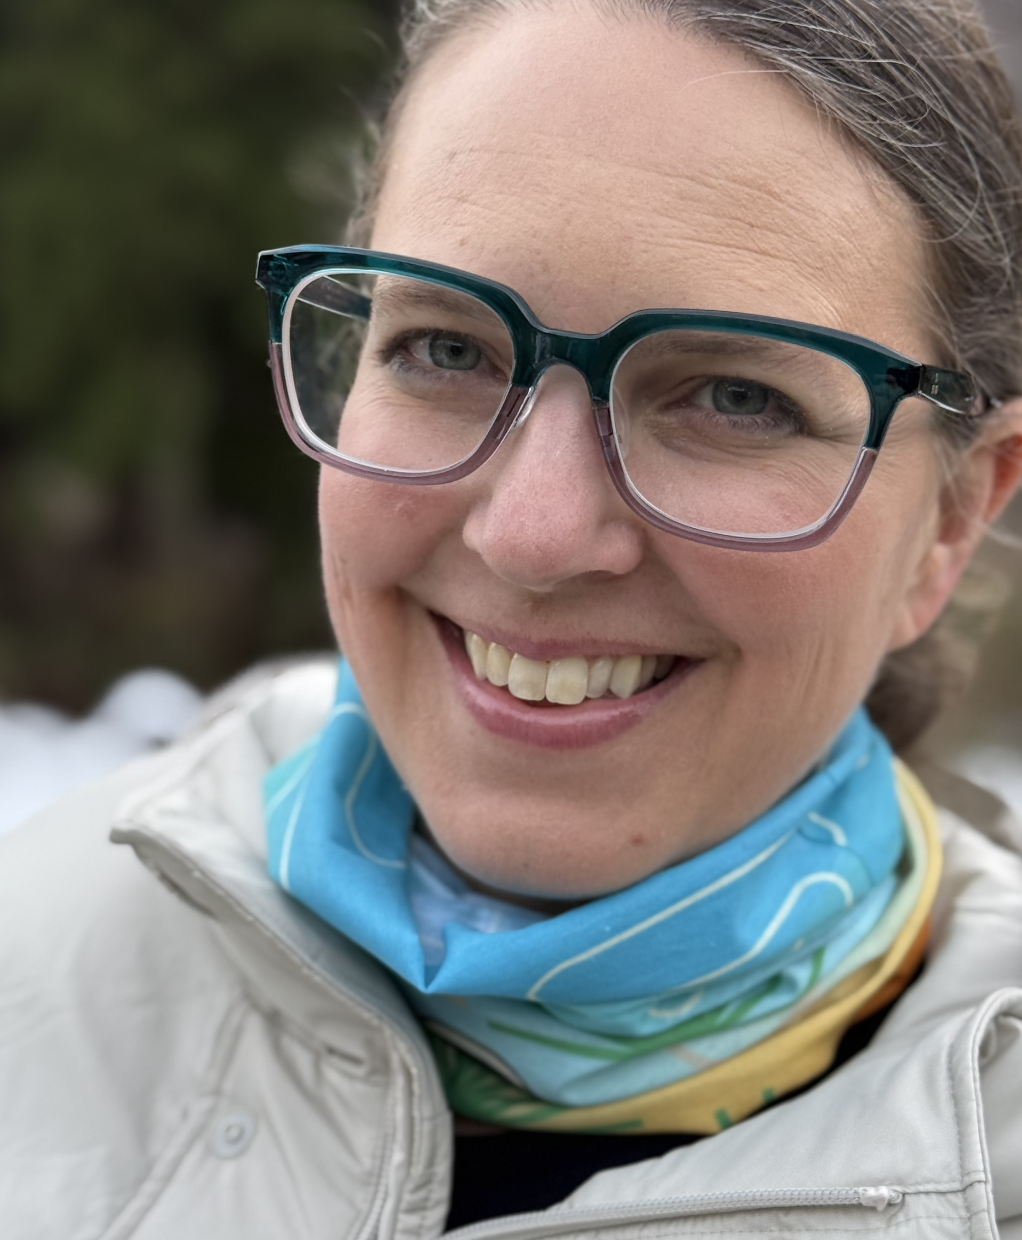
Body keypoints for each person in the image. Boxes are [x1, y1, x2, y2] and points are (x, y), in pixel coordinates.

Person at [3, 0, 1022, 1236]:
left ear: (952, 516)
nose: (530, 534)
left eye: (737, 395)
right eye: (444, 351)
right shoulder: (36, 953)